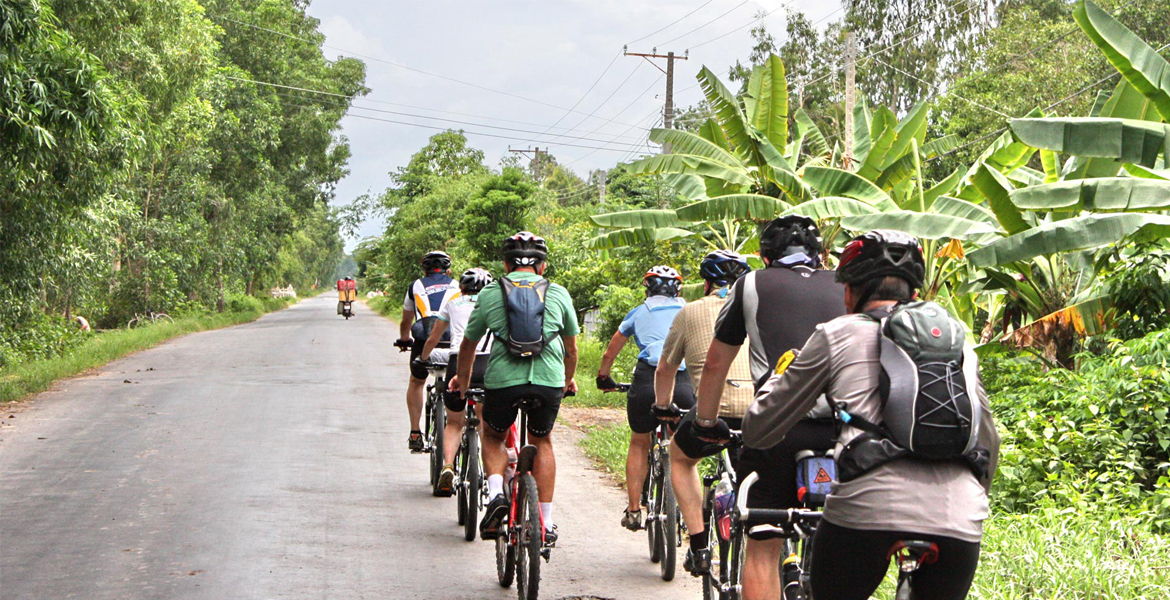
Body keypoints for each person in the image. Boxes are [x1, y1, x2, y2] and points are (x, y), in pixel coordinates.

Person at [743, 230, 1000, 600]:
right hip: (960, 517)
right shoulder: (959, 343)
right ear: (914, 294)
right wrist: (974, 500)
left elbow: (759, 429)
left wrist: (776, 378)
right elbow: (988, 439)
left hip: (866, 511)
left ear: (850, 293)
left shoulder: (836, 333)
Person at [694, 216, 846, 600]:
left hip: (778, 428)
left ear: (764, 257)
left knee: (763, 545)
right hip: (844, 430)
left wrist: (706, 421)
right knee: (849, 538)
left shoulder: (750, 285)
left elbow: (716, 363)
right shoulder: (847, 285)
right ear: (821, 254)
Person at [457, 232, 579, 545]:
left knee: (495, 435)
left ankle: (497, 493)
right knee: (543, 441)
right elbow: (572, 350)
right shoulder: (559, 293)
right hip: (548, 381)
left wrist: (463, 379)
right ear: (543, 266)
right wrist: (566, 380)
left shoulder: (490, 293)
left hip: (503, 381)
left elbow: (468, 345)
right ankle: (547, 522)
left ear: (506, 263)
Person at [652, 249, 754, 576]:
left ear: (706, 282)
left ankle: (698, 545)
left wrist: (664, 407)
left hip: (714, 412)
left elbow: (665, 369)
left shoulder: (689, 311)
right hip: (760, 410)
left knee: (680, 460)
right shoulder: (759, 311)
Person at [596, 265, 693, 531]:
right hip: (683, 380)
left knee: (639, 442)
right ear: (678, 290)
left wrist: (603, 378)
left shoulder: (638, 313)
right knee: (681, 445)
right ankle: (686, 511)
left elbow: (608, 354)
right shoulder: (689, 310)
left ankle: (634, 510)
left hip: (647, 379)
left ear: (647, 288)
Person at [420, 267, 494, 496]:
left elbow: (434, 336)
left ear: (462, 288)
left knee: (453, 422)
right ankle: (490, 475)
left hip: (458, 363)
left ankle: (449, 465)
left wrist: (423, 358)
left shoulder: (453, 303)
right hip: (488, 365)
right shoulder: (494, 303)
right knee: (484, 423)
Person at [398, 251, 459, 452]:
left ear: (424, 270)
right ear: (448, 270)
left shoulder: (415, 286)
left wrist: (405, 339)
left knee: (417, 381)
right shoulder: (458, 285)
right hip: (453, 342)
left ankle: (415, 431)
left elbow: (407, 320)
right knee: (459, 382)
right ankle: (459, 426)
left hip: (424, 342)